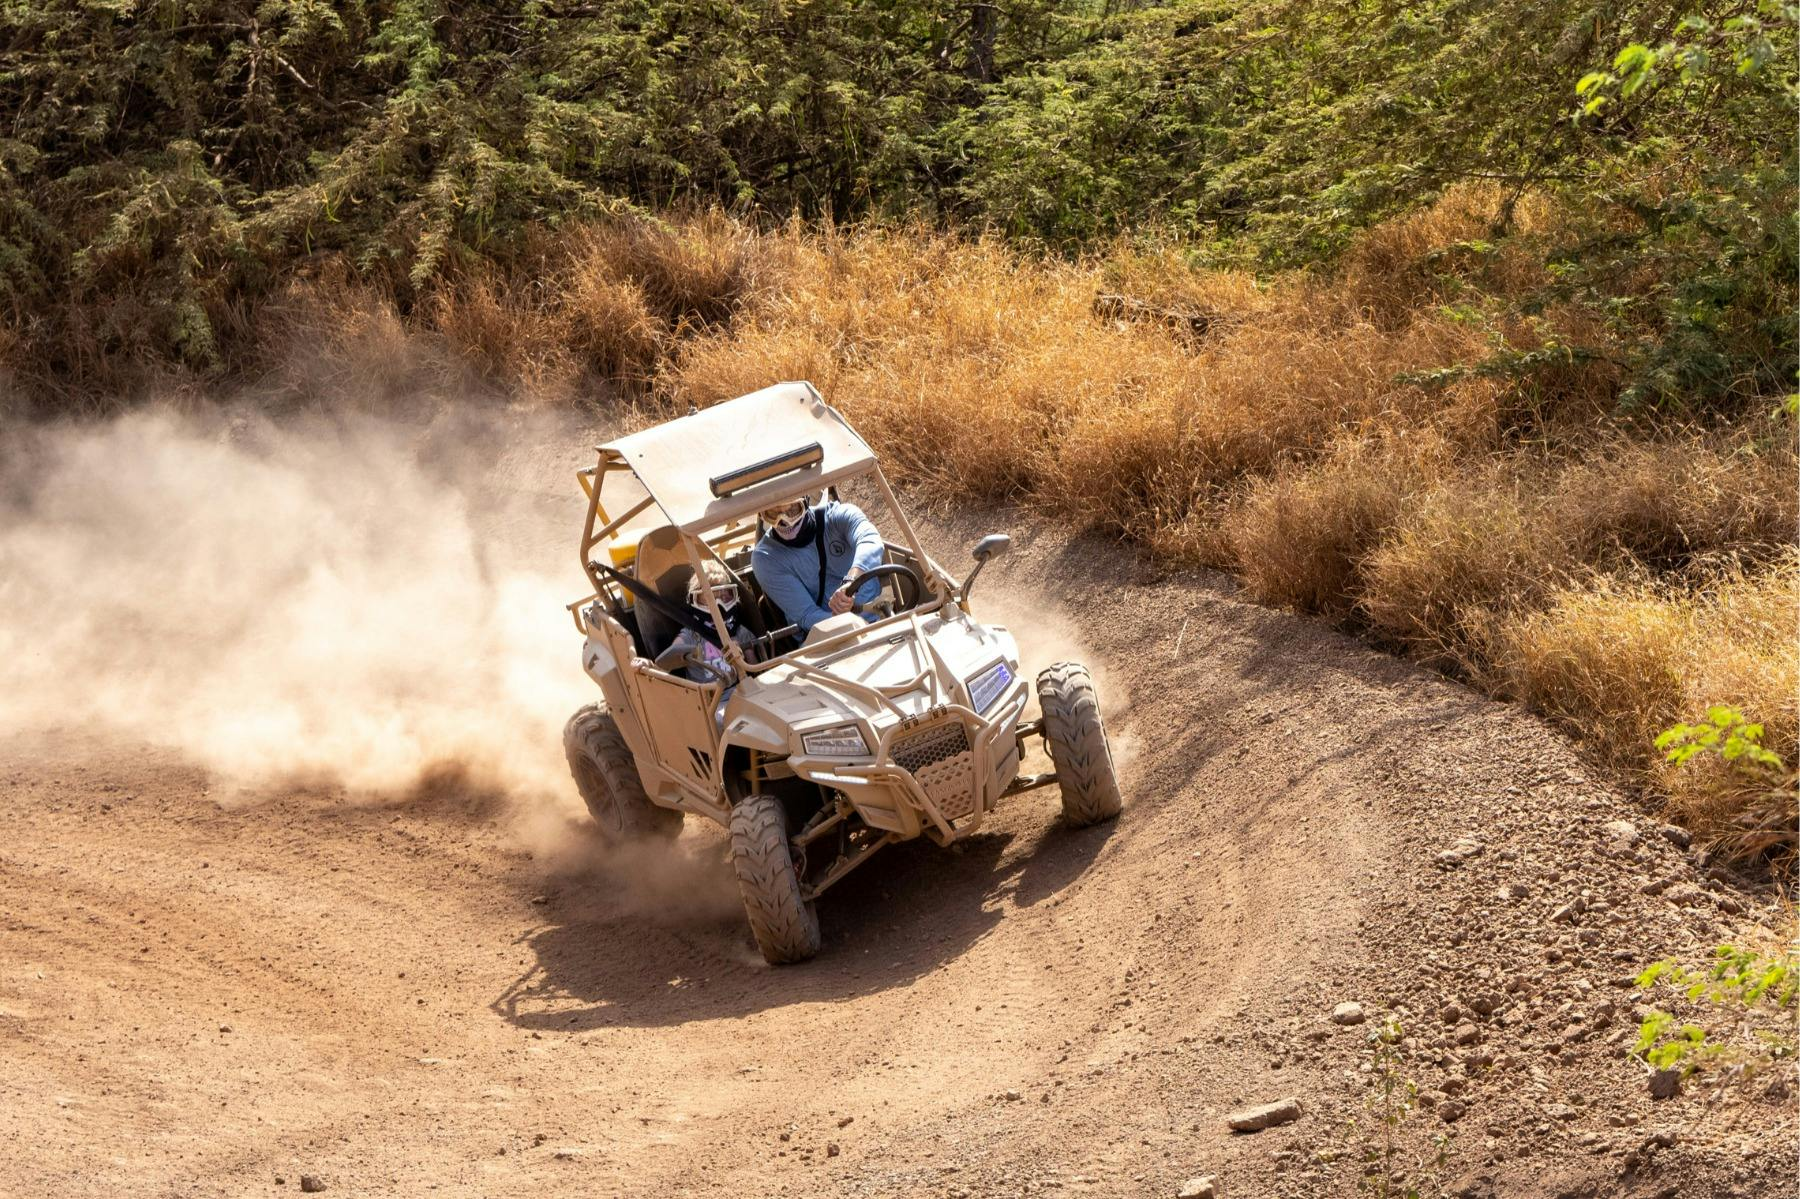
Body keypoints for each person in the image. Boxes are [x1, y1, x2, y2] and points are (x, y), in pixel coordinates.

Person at [751, 494, 886, 635]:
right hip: (829, 636)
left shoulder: (838, 516)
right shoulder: (765, 558)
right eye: (773, 514)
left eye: (792, 510)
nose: (784, 521)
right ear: (762, 515)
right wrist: (853, 625)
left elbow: (870, 539)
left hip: (883, 614)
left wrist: (852, 580)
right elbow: (808, 615)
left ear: (805, 502)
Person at [654, 559, 755, 684]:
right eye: (710, 599)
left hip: (743, 690)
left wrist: (740, 659)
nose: (718, 605)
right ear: (696, 600)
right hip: (712, 695)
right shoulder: (691, 636)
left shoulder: (739, 631)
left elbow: (755, 673)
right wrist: (648, 665)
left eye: (724, 598)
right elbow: (664, 665)